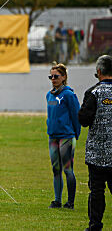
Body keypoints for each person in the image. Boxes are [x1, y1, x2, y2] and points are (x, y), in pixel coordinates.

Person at [78, 55, 112, 231]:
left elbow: (83, 119)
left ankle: (95, 225)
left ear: (98, 71)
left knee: (97, 192)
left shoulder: (93, 93)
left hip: (97, 155)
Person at [46, 62, 81, 209]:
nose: (53, 79)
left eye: (56, 76)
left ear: (64, 77)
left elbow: (76, 116)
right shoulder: (49, 95)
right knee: (56, 169)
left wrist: (75, 134)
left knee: (67, 169)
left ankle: (70, 202)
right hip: (53, 137)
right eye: (51, 76)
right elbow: (50, 115)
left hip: (66, 136)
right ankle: (57, 200)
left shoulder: (68, 94)